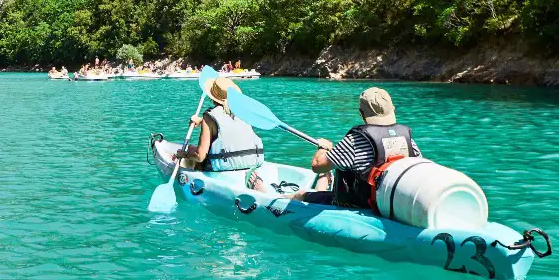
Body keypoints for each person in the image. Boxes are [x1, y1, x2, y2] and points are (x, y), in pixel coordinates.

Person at [258, 87, 420, 207]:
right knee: (325, 181)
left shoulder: (357, 140)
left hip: (356, 206)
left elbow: (317, 166)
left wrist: (322, 148)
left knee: (301, 194)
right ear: (393, 110)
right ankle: (324, 181)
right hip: (388, 204)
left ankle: (265, 200)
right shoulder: (407, 139)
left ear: (361, 114)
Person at [172, 77, 264, 173]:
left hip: (223, 167)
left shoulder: (209, 117)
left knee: (191, 148)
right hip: (252, 163)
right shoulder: (243, 112)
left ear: (212, 97)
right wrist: (202, 121)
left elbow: (200, 156)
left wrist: (185, 154)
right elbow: (230, 125)